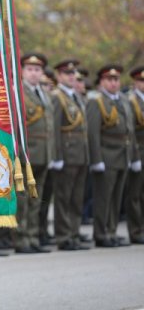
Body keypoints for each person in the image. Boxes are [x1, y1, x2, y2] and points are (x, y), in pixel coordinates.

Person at [87, 65, 136, 247]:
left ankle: (112, 231)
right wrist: (96, 159)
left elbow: (129, 131)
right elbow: (93, 133)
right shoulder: (96, 102)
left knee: (117, 198)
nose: (114, 83)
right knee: (104, 198)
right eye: (109, 79)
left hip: (123, 153)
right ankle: (101, 234)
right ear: (102, 82)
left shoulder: (123, 100)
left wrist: (134, 156)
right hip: (106, 155)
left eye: (116, 79)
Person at [14, 53, 54, 254]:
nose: (34, 73)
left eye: (38, 70)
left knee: (36, 199)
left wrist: (52, 153)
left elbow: (50, 127)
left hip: (44, 154)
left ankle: (32, 236)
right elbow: (14, 125)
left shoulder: (44, 94)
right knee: (23, 200)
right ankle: (21, 239)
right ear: (22, 71)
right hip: (26, 154)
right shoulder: (18, 92)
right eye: (30, 69)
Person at [49, 59, 90, 250]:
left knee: (76, 198)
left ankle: (74, 233)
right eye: (67, 74)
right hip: (66, 154)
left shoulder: (77, 96)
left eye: (73, 74)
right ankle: (64, 236)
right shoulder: (57, 97)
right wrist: (56, 156)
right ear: (58, 76)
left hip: (80, 154)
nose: (72, 77)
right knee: (64, 198)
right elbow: (54, 129)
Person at [126, 66, 144, 244]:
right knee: (135, 194)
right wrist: (134, 156)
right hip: (138, 150)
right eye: (141, 81)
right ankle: (136, 230)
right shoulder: (131, 101)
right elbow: (130, 131)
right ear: (135, 82)